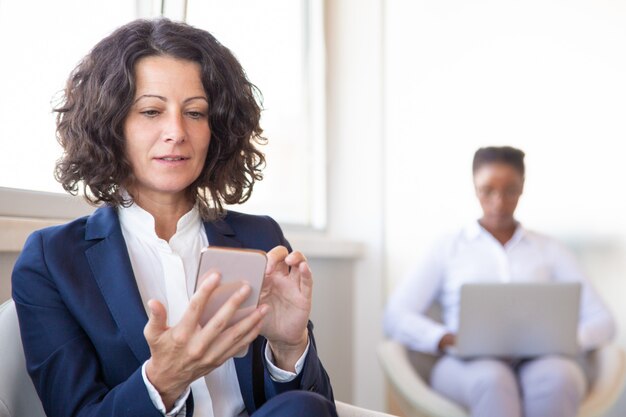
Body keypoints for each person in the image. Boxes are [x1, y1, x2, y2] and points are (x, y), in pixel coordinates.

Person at [11, 18, 336, 417]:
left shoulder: (260, 236)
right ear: (111, 125)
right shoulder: (52, 259)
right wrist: (163, 379)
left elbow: (317, 409)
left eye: (196, 113)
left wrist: (289, 347)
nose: (177, 132)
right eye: (151, 111)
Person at [384, 146, 615, 417]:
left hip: (542, 360)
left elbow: (604, 321)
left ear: (522, 188)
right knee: (493, 380)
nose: (499, 202)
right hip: (467, 366)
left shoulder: (550, 249)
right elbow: (395, 316)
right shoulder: (447, 248)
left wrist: (564, 339)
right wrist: (447, 338)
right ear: (474, 188)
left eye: (510, 190)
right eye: (488, 190)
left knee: (559, 378)